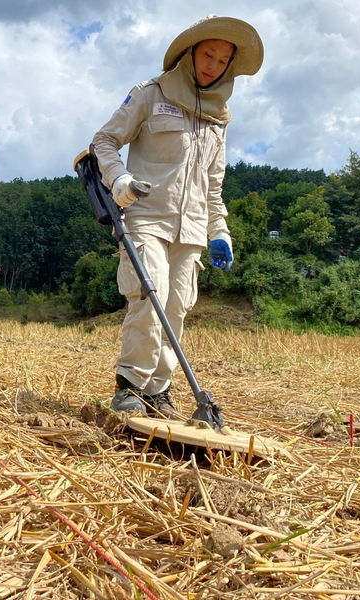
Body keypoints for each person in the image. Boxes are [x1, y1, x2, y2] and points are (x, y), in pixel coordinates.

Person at [90, 15, 264, 416]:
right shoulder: (151, 94)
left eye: (223, 60)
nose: (213, 65)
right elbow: (104, 140)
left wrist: (220, 231)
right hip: (146, 215)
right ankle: (130, 387)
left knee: (177, 308)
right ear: (190, 52)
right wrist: (119, 181)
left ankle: (157, 391)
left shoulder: (218, 120)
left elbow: (213, 185)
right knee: (151, 298)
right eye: (208, 54)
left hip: (191, 229)